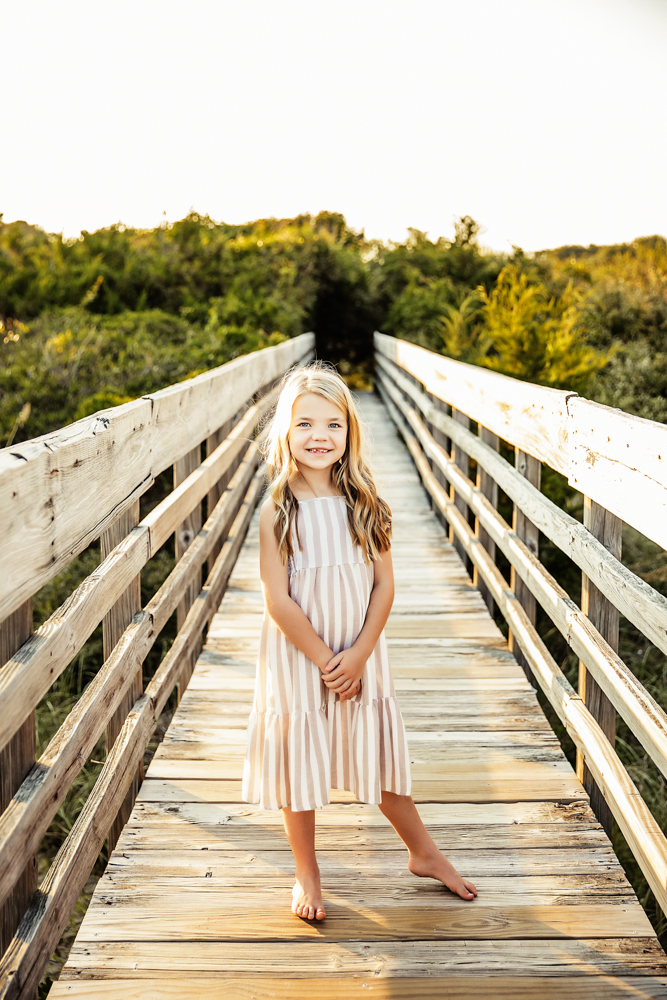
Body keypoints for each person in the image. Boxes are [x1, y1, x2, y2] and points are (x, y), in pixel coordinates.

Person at [242, 361, 477, 920]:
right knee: (300, 758)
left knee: (375, 751)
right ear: (285, 431)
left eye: (333, 424)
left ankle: (423, 852)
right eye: (304, 424)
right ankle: (307, 869)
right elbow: (278, 600)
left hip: (360, 649)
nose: (319, 436)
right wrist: (327, 661)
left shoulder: (367, 500)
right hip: (303, 656)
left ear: (350, 431)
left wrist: (361, 652)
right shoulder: (277, 510)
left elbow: (385, 582)